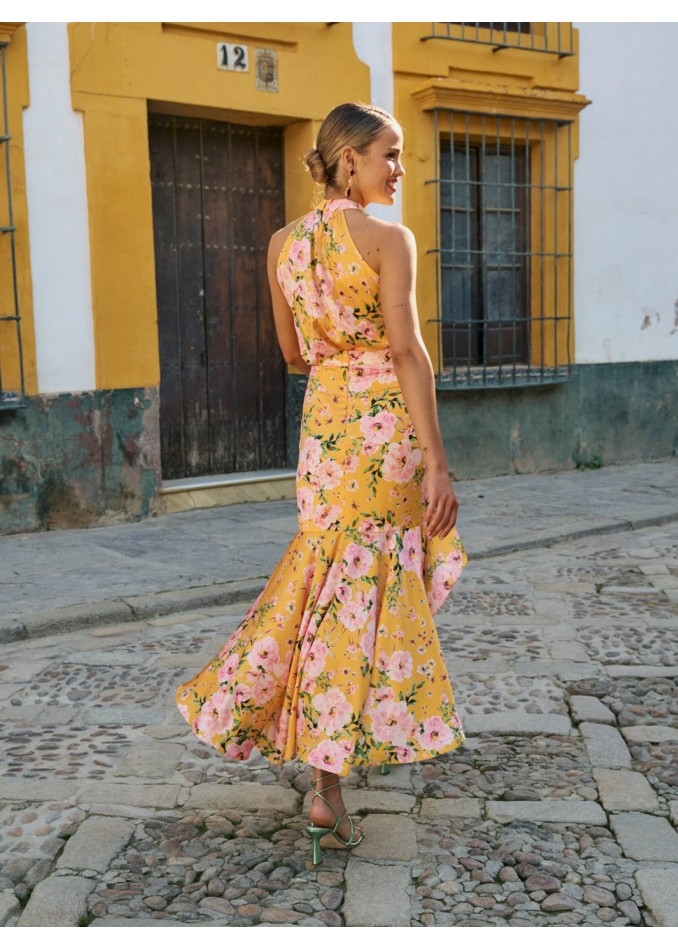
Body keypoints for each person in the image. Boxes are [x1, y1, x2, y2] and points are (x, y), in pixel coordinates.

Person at [176, 102, 467, 866]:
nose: (400, 170)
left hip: (326, 433)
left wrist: (340, 352)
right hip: (385, 433)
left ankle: (314, 759)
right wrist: (437, 460)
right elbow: (408, 352)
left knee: (327, 588)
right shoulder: (388, 238)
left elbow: (292, 354)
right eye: (390, 156)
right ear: (348, 162)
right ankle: (327, 781)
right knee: (363, 602)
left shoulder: (282, 243)